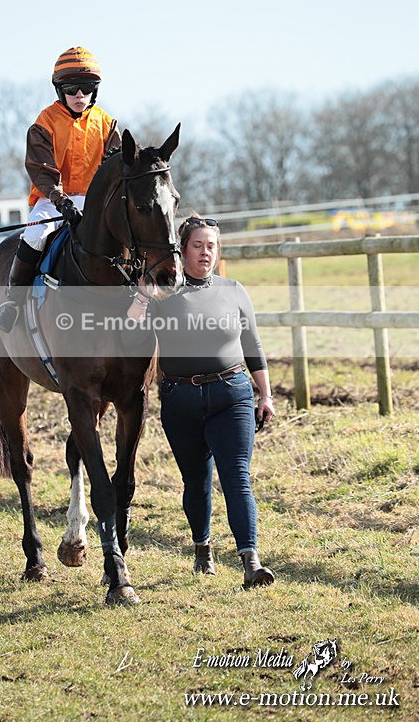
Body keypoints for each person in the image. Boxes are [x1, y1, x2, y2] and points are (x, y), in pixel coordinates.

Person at [126, 215, 276, 588]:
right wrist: (141, 298)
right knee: (196, 482)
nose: (206, 252)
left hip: (232, 395)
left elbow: (252, 345)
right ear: (182, 250)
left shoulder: (233, 289)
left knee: (237, 477)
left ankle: (250, 561)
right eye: (198, 245)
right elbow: (130, 332)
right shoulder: (163, 293)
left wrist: (266, 394)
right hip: (181, 400)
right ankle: (202, 548)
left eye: (211, 246)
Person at [0, 46, 121, 332]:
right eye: (72, 88)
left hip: (94, 200)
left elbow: (114, 168)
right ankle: (13, 302)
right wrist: (61, 201)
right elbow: (42, 170)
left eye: (87, 88)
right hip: (52, 200)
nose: (79, 95)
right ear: (60, 89)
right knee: (36, 233)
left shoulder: (108, 123)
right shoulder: (44, 123)